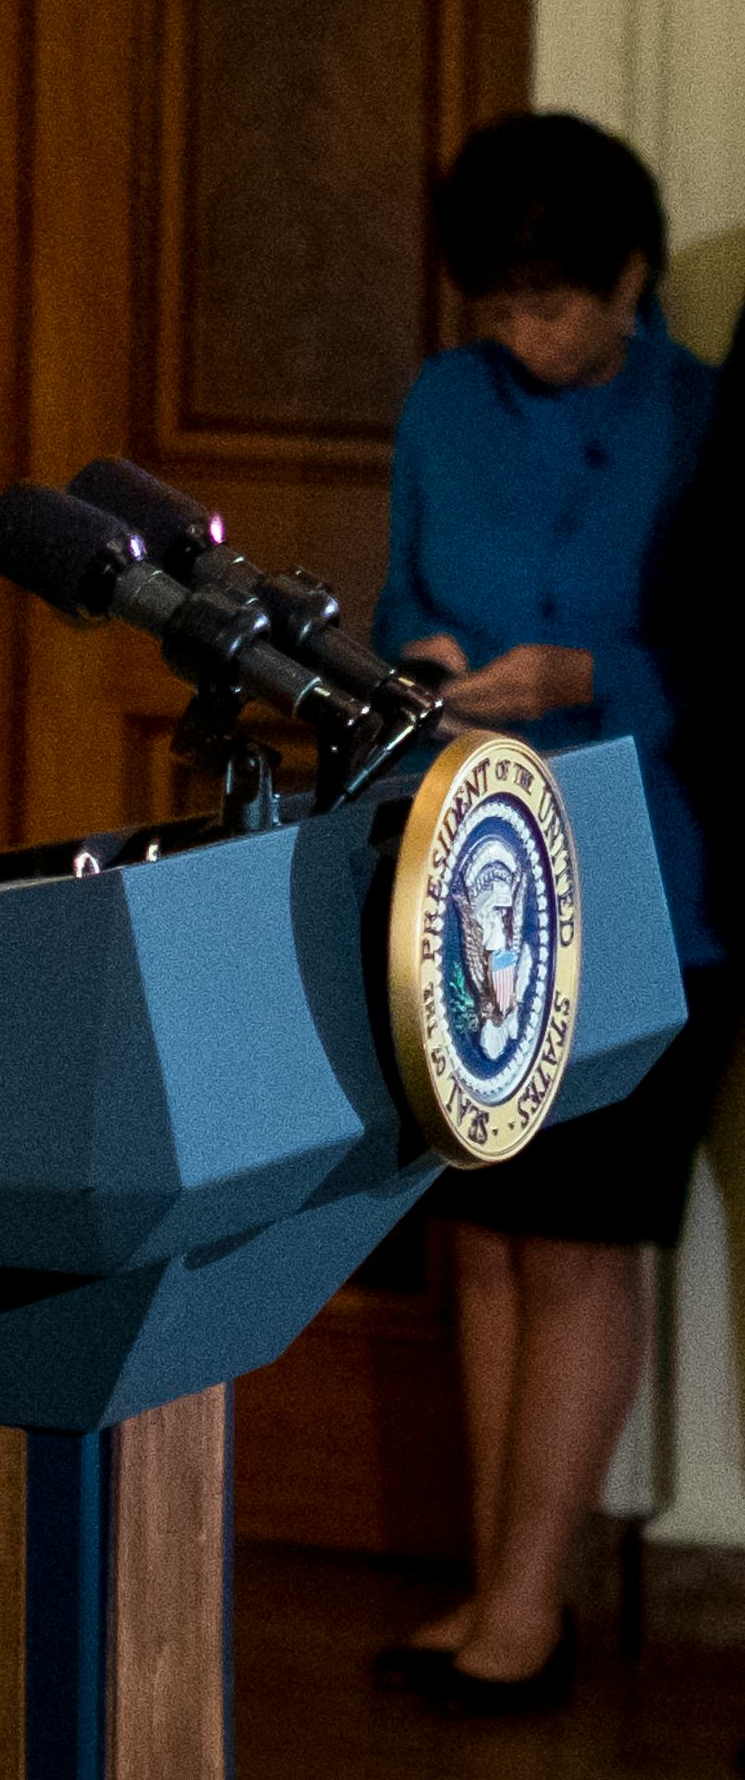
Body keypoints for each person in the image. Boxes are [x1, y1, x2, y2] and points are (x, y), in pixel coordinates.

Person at [371, 111, 726, 1717]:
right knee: (489, 1245)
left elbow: (734, 667)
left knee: (580, 1248)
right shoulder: (443, 407)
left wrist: (595, 679)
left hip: (654, 880)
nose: (527, 337)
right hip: (471, 868)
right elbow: (397, 602)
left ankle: (532, 1608)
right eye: (503, 307)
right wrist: (429, 665)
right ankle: (491, 1588)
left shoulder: (703, 416)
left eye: (557, 307)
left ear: (631, 277)